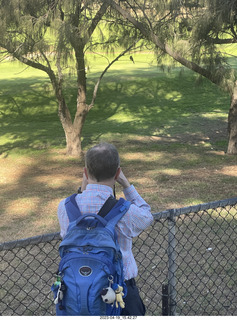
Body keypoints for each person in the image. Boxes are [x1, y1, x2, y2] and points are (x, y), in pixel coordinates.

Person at [57, 142, 154, 316]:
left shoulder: (65, 207)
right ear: (117, 173)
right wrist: (126, 184)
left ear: (86, 173)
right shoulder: (125, 211)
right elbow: (147, 215)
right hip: (119, 292)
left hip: (75, 293)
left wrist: (82, 189)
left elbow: (71, 233)